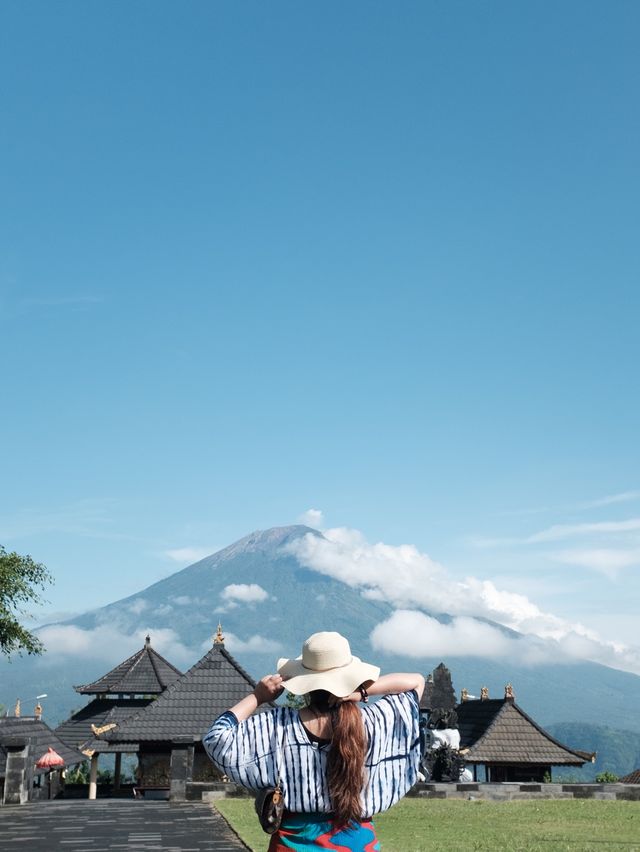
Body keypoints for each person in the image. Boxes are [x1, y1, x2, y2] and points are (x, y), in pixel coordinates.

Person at [203, 631, 425, 851]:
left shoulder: (277, 726)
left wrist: (258, 696)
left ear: (304, 682)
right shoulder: (373, 722)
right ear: (350, 678)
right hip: (358, 844)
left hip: (294, 844)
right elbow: (416, 682)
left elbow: (216, 737)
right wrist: (362, 692)